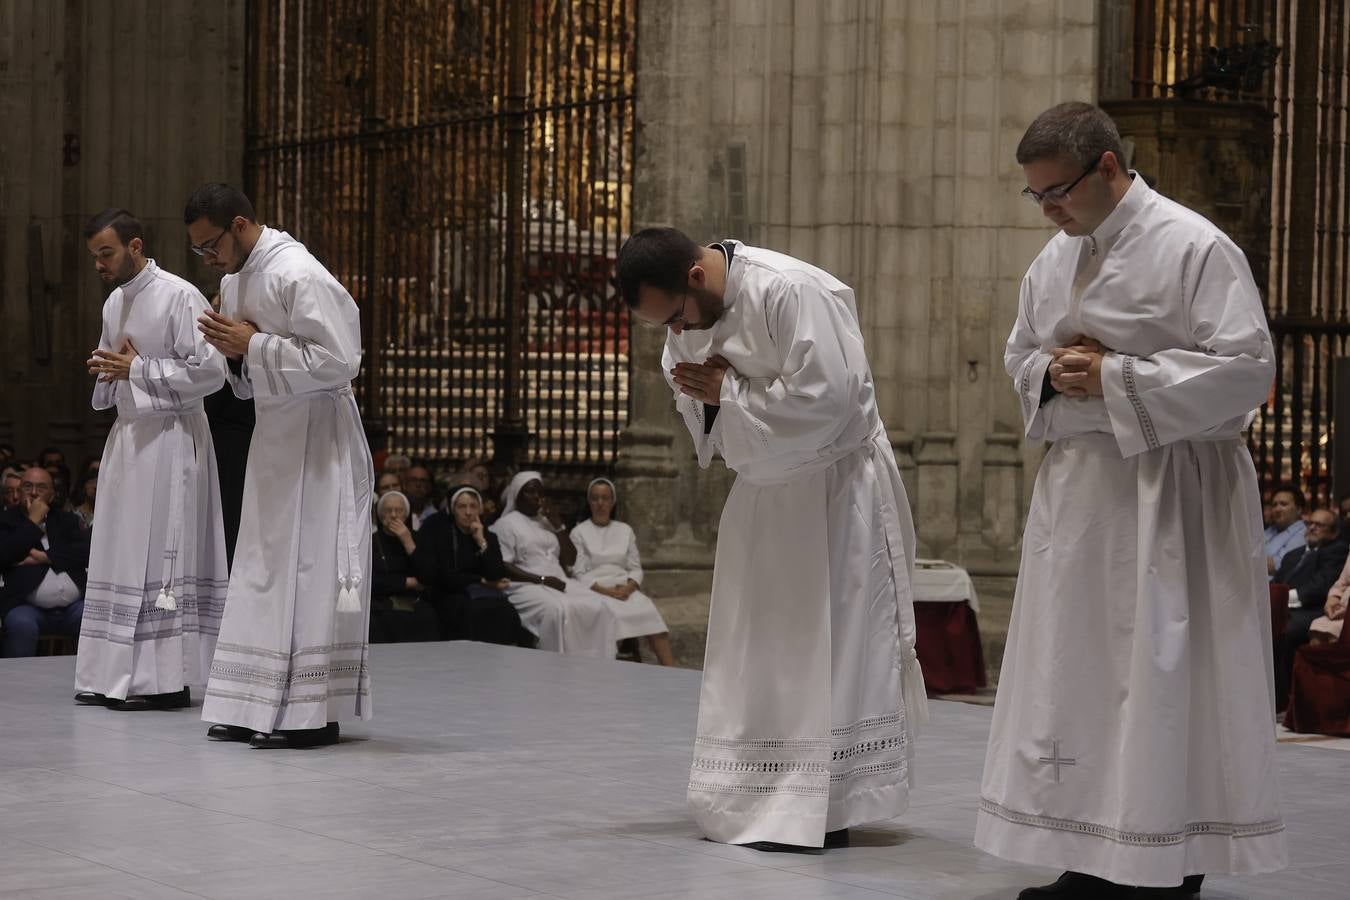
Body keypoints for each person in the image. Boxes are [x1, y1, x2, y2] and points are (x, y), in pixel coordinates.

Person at [979, 102, 1285, 899]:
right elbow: (1019, 355)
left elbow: (1247, 368)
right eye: (1036, 196)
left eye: (1057, 192)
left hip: (1171, 497)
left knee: (1158, 671)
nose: (1048, 210)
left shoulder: (1193, 246)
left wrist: (1115, 377)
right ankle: (1090, 852)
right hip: (1082, 496)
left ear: (1109, 168)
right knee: (1077, 672)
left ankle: (1165, 859)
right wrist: (1052, 372)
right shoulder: (1054, 258)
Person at [617, 226, 924, 854]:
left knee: (828, 642)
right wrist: (706, 396)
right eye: (662, 326)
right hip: (764, 492)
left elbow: (832, 403)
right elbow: (690, 390)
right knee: (761, 646)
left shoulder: (790, 290)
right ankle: (763, 789)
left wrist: (728, 390)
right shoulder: (684, 320)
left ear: (696, 276)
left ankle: (828, 801)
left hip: (834, 490)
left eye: (675, 315)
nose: (675, 333)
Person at [189, 182, 373, 750]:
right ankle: (251, 701)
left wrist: (255, 346)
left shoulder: (299, 273)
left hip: (319, 437)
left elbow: (342, 361)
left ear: (241, 225)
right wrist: (236, 356)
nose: (209, 258)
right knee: (263, 566)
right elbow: (244, 375)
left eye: (212, 245)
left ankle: (310, 713)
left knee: (308, 569)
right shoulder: (234, 279)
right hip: (274, 435)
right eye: (199, 251)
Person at [72, 208, 230, 710]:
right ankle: (109, 673)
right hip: (130, 439)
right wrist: (106, 367)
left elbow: (211, 372)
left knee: (162, 553)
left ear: (135, 246)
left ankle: (163, 681)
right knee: (120, 550)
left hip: (171, 439)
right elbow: (114, 365)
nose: (99, 264)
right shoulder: (114, 302)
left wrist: (137, 367)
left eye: (106, 253)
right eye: (95, 255)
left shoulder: (180, 295)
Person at [490, 471, 620, 658]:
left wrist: (558, 525)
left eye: (540, 492)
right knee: (558, 610)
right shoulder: (506, 524)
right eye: (530, 492)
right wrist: (541, 579)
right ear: (517, 496)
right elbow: (504, 565)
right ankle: (558, 666)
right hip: (524, 584)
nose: (537, 497)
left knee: (600, 605)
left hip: (557, 580)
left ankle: (597, 663)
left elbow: (571, 560)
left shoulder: (547, 521)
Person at [569, 478, 674, 666]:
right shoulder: (579, 532)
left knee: (648, 610)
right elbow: (579, 572)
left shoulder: (625, 530)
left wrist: (628, 588)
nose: (600, 503)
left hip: (624, 588)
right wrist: (609, 592)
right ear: (589, 502)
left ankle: (673, 672)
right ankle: (607, 672)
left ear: (612, 501)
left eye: (605, 498)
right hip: (595, 590)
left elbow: (635, 568)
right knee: (610, 617)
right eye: (595, 498)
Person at [413, 486, 534, 646]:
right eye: (462, 507)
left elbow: (496, 574)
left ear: (480, 509)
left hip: (481, 593)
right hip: (449, 594)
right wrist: (482, 581)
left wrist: (481, 541)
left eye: (473, 506)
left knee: (506, 611)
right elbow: (445, 576)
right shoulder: (441, 534)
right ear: (452, 510)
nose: (468, 512)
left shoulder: (488, 535)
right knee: (469, 611)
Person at [0, 467, 90, 657]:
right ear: (19, 490)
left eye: (41, 488)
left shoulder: (66, 520)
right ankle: (19, 683)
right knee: (20, 624)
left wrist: (45, 557)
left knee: (94, 618)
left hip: (74, 607)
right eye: (27, 486)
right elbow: (5, 554)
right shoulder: (6, 520)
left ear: (51, 493)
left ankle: (92, 682)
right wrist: (33, 521)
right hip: (25, 606)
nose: (33, 492)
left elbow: (85, 551)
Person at [203, 291, 256, 570]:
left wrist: (235, 357)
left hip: (240, 448)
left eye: (221, 310)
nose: (215, 316)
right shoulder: (199, 348)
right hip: (204, 444)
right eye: (212, 310)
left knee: (233, 526)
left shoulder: (248, 346)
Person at [1273, 508, 1348, 705]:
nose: (1313, 528)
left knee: (1288, 629)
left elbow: (1319, 587)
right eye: (1310, 523)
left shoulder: (1336, 551)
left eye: (1320, 525)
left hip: (1312, 608)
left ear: (1333, 532)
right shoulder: (1293, 554)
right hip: (1286, 607)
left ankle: (1283, 697)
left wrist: (1281, 599)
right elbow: (1277, 583)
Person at [368, 491, 438, 643]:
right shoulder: (371, 542)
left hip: (415, 602)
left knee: (429, 617)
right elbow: (373, 581)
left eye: (398, 510)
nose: (393, 515)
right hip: (383, 603)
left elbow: (429, 576)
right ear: (380, 515)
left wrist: (408, 542)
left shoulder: (419, 538)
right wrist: (409, 582)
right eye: (388, 510)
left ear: (406, 514)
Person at [1265, 485, 1307, 580]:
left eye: (1283, 504)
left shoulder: (1303, 533)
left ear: (1299, 510)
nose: (1277, 509)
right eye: (1274, 505)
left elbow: (1280, 566)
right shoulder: (1270, 530)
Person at [71, 466, 98, 531]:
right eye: (91, 482)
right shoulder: (73, 514)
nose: (95, 486)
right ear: (83, 486)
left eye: (98, 482)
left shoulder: (107, 515)